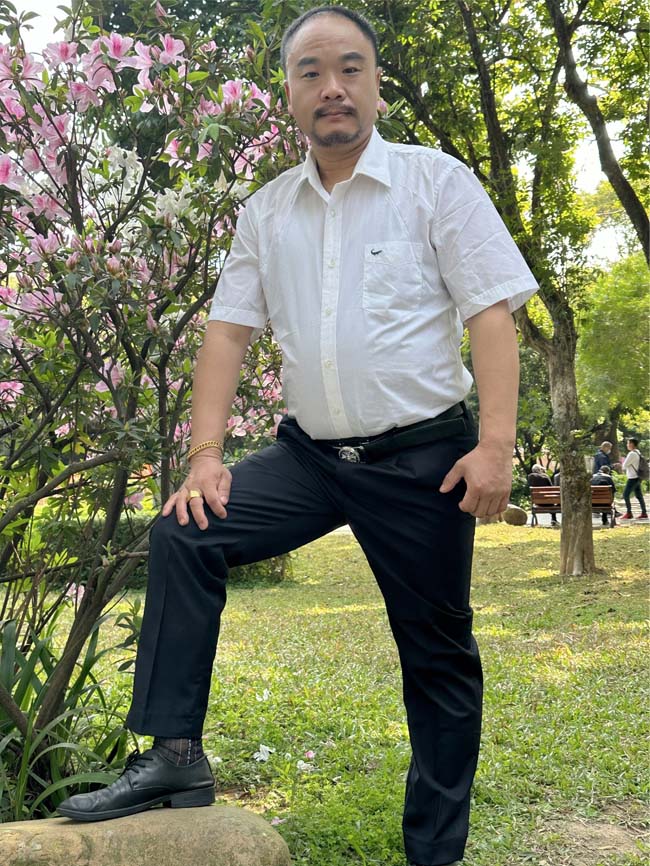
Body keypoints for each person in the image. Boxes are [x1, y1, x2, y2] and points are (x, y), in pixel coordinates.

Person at [57, 7, 538, 865]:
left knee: (437, 657)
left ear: (378, 85)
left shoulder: (436, 183)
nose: (332, 87)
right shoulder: (267, 210)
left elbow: (490, 315)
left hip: (422, 460)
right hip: (310, 457)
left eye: (350, 68)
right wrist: (205, 457)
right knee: (185, 531)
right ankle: (175, 755)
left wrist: (495, 445)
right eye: (311, 72)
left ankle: (434, 853)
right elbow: (226, 335)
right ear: (289, 93)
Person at [620, 437, 648, 520]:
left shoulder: (632, 454)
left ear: (632, 444)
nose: (627, 445)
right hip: (638, 477)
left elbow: (624, 466)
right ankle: (644, 513)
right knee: (639, 495)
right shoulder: (638, 452)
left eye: (628, 443)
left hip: (632, 477)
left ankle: (629, 513)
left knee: (625, 495)